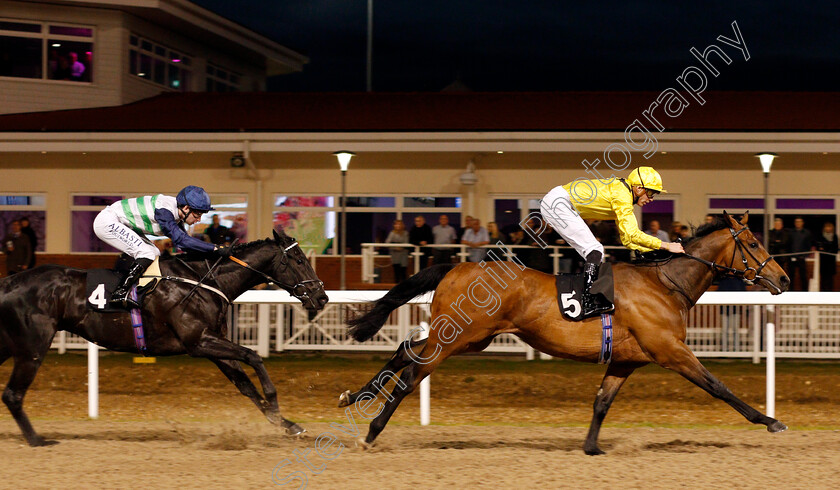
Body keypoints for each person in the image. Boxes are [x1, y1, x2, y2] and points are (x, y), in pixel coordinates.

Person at [540, 167, 684, 317]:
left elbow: (627, 240)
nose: (652, 198)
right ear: (639, 188)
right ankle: (588, 301)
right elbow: (633, 235)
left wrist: (653, 250)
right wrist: (666, 245)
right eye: (651, 193)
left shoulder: (623, 193)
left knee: (596, 251)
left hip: (559, 202)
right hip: (557, 204)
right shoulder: (622, 197)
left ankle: (590, 298)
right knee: (594, 250)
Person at [93, 186, 230, 308]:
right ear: (186, 208)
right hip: (107, 222)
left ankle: (138, 289)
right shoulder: (165, 211)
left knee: (154, 251)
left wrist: (214, 253)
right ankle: (120, 292)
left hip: (120, 223)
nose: (199, 219)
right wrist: (215, 248)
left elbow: (186, 244)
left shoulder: (177, 214)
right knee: (146, 253)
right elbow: (182, 241)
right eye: (197, 214)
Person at [788, 217, 813, 291]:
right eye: (796, 222)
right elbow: (788, 244)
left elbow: (809, 245)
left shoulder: (807, 233)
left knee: (803, 276)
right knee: (791, 276)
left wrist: (805, 255)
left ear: (802, 223)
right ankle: (790, 291)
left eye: (799, 222)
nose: (798, 223)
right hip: (791, 257)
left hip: (802, 258)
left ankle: (805, 291)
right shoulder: (791, 233)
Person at [815, 222, 838, 292]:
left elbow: (835, 249)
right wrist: (825, 248)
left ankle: (830, 292)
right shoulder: (820, 236)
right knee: (823, 278)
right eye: (826, 227)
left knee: (830, 278)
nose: (828, 228)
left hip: (831, 261)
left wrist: (826, 248)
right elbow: (819, 247)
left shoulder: (834, 237)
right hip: (823, 261)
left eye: (829, 227)